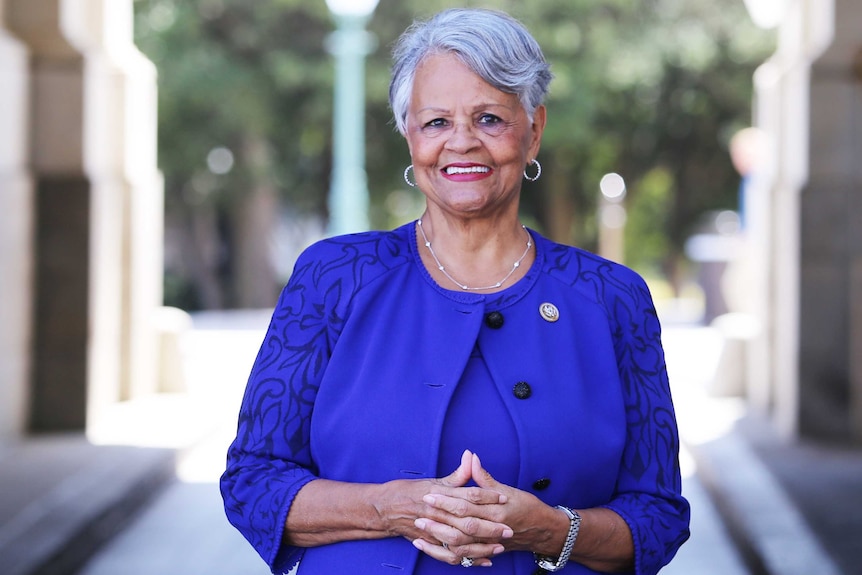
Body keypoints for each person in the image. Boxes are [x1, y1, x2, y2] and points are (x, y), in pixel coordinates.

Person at [221, 8, 690, 575]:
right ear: (409, 134)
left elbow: (659, 517)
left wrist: (549, 529)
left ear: (534, 130)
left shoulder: (612, 298)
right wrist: (387, 509)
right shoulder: (332, 277)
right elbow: (253, 482)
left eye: (490, 119)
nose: (461, 143)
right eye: (437, 122)